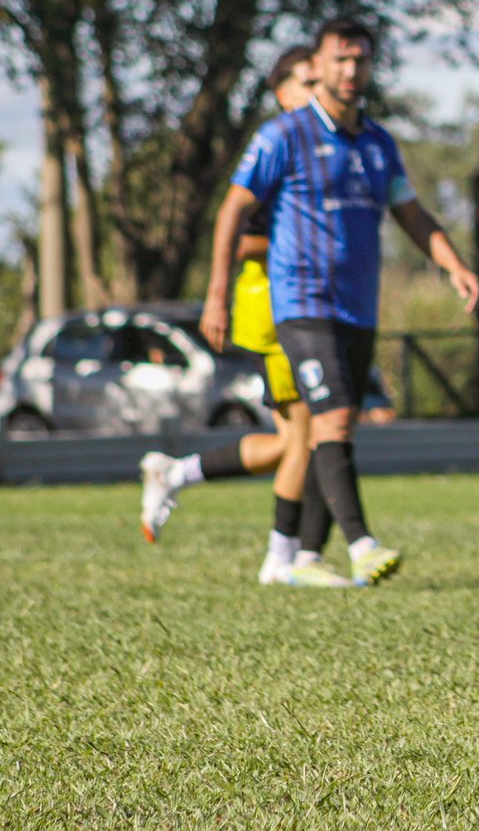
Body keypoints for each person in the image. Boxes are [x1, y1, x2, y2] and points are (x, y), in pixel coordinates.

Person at [200, 17, 479, 586]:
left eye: (361, 60)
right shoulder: (284, 136)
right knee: (335, 417)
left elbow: (410, 213)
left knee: (337, 429)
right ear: (319, 66)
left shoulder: (378, 144)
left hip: (358, 307)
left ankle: (303, 558)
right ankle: (362, 544)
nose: (351, 70)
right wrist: (216, 296)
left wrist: (451, 263)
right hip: (301, 302)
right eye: (340, 60)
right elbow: (232, 210)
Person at [140, 47, 340, 585]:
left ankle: (176, 472)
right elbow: (242, 228)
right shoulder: (277, 147)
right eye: (306, 81)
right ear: (281, 92)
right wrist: (220, 292)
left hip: (305, 308)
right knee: (306, 439)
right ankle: (284, 558)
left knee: (294, 442)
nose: (319, 88)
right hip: (276, 313)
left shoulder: (320, 144)